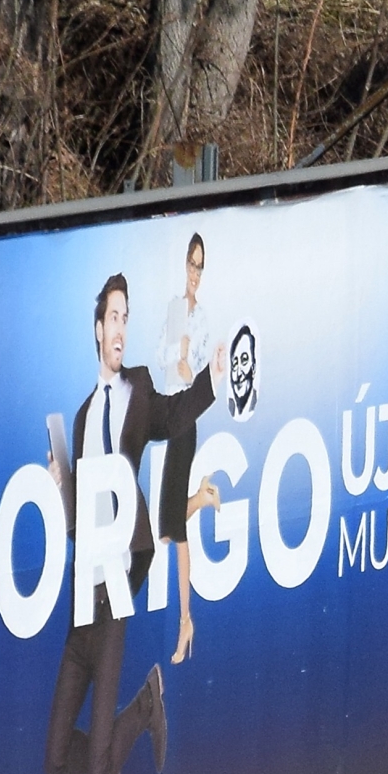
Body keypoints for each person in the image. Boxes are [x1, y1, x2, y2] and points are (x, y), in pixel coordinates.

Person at [46, 274, 221, 774]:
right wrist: (61, 488)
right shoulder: (79, 416)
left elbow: (172, 418)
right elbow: (78, 523)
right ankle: (117, 741)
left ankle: (144, 712)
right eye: (114, 318)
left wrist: (213, 382)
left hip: (115, 593)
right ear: (98, 330)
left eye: (127, 317)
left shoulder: (139, 390)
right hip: (82, 601)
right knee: (54, 762)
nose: (121, 327)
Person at [153, 233, 222, 663]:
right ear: (183, 265)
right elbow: (162, 356)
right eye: (191, 265)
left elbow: (196, 373)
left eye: (201, 267)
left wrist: (194, 364)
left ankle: (185, 623)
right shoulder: (174, 310)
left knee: (174, 532)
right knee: (168, 528)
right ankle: (202, 496)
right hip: (169, 412)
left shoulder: (204, 320)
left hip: (186, 420)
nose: (195, 273)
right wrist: (174, 355)